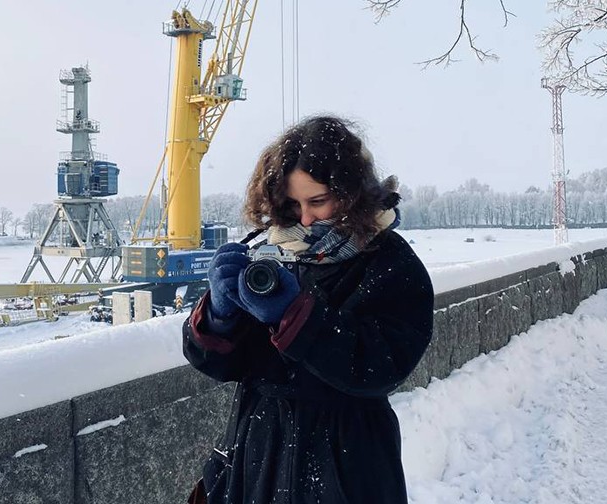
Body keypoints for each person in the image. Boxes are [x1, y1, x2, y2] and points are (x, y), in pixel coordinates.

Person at [183, 115, 434, 504]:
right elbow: (223, 366)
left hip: (345, 462)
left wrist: (294, 316)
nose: (304, 219)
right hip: (258, 456)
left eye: (317, 201)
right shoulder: (271, 252)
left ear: (352, 193)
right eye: (292, 204)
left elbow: (381, 367)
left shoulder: (391, 262)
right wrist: (219, 316)